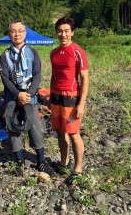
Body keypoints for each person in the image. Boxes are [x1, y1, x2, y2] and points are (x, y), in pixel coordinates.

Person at [0, 19, 47, 176]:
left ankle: (40, 161)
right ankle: (19, 162)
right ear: (9, 34)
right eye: (13, 31)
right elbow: (5, 78)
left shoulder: (32, 53)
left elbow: (38, 75)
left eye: (20, 31)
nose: (17, 34)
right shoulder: (5, 55)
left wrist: (30, 93)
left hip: (30, 98)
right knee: (14, 130)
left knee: (35, 130)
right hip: (12, 98)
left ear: (25, 33)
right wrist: (17, 94)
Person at [50, 16, 88, 182]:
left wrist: (81, 104)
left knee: (73, 133)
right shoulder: (54, 52)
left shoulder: (77, 51)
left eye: (66, 31)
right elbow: (54, 75)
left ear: (72, 32)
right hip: (56, 96)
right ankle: (64, 162)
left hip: (71, 96)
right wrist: (50, 96)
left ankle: (78, 169)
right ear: (56, 33)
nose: (63, 34)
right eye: (60, 31)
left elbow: (84, 79)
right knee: (59, 131)